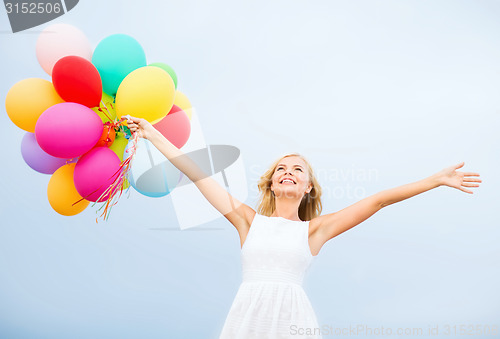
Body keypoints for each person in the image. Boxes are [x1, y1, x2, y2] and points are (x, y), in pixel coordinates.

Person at [125, 116, 482, 339]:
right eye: (281, 168)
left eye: (297, 170)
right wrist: (155, 135)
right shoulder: (248, 220)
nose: (288, 172)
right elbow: (197, 173)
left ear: (307, 187)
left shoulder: (314, 231)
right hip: (247, 317)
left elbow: (378, 200)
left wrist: (434, 181)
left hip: (293, 321)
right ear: (270, 183)